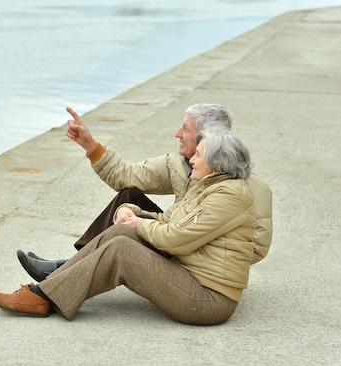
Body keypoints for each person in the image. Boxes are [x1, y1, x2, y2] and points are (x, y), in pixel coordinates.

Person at [0, 129, 257, 325]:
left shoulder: (228, 196)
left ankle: (43, 298)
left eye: (198, 155)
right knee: (121, 231)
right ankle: (49, 287)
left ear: (216, 163)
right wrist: (132, 214)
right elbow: (170, 220)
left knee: (121, 249)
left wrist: (139, 223)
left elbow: (176, 238)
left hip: (209, 299)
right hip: (191, 276)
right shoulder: (209, 186)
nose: (191, 160)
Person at [17, 105, 272, 281]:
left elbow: (256, 247)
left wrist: (201, 250)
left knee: (135, 221)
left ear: (207, 136)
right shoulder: (178, 163)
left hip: (198, 254)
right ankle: (73, 268)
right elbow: (125, 176)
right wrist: (90, 145)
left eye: (185, 128)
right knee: (128, 197)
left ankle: (68, 273)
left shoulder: (246, 186)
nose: (177, 133)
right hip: (176, 233)